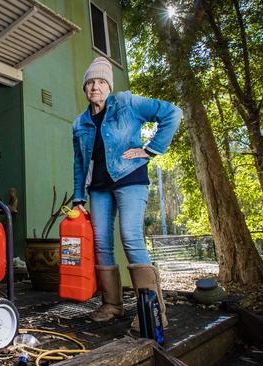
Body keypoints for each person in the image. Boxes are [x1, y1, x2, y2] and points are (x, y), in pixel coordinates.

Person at [71, 57, 182, 327]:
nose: (95, 87)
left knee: (130, 237)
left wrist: (151, 149)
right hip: (97, 187)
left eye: (100, 82)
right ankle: (112, 305)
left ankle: (154, 314)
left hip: (130, 178)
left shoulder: (127, 103)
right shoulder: (80, 123)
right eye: (90, 82)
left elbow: (172, 113)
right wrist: (78, 196)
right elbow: (79, 162)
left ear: (108, 86)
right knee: (101, 244)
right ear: (85, 88)